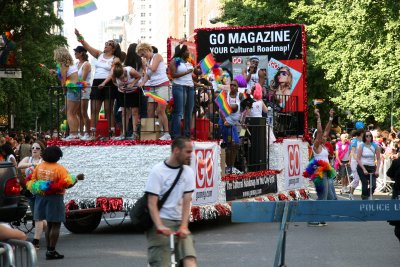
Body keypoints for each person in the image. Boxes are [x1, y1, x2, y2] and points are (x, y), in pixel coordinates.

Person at [144, 137, 197, 266]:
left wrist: (184, 225)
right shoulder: (158, 171)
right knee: (163, 262)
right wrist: (159, 225)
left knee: (189, 258)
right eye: (188, 152)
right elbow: (151, 203)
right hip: (161, 220)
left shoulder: (188, 172)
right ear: (176, 151)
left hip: (179, 221)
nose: (191, 155)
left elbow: (187, 201)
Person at [26, 146, 81, 260]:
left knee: (49, 225)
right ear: (57, 156)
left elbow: (33, 181)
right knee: (55, 224)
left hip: (41, 198)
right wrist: (76, 179)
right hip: (55, 199)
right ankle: (51, 251)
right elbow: (67, 184)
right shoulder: (60, 169)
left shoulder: (39, 167)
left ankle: (49, 250)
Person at [75, 29, 121, 138]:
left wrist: (104, 83)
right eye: (105, 44)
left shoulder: (116, 59)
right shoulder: (99, 55)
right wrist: (79, 36)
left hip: (108, 83)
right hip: (97, 82)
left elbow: (112, 73)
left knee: (108, 109)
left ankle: (111, 132)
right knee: (94, 108)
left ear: (113, 48)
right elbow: (87, 47)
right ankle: (93, 132)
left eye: (108, 44)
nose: (105, 45)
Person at [304, 108, 336, 226]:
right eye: (322, 136)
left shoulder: (324, 145)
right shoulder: (316, 146)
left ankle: (322, 217)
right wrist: (318, 119)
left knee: (330, 197)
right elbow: (321, 132)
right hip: (320, 172)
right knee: (322, 197)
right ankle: (312, 218)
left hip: (327, 172)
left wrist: (330, 118)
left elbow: (326, 130)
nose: (325, 136)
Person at [137, 43, 171, 140]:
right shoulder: (148, 60)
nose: (143, 57)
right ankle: (155, 131)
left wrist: (145, 64)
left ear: (146, 49)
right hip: (152, 87)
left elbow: (154, 68)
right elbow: (148, 74)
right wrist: (142, 82)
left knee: (160, 110)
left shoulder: (157, 56)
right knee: (150, 110)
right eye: (141, 56)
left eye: (143, 54)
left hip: (162, 85)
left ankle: (166, 133)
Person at [17, 141, 46, 249]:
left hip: (40, 192)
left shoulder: (43, 161)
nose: (34, 149)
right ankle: (51, 229)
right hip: (30, 192)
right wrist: (33, 164)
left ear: (41, 150)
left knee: (38, 217)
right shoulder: (28, 159)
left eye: (37, 148)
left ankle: (36, 242)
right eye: (33, 147)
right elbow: (20, 165)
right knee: (37, 217)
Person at [53, 47, 80, 141]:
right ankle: (76, 134)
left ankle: (73, 134)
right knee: (74, 113)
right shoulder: (70, 64)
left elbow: (63, 80)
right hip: (77, 89)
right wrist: (57, 72)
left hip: (71, 90)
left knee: (69, 113)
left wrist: (63, 90)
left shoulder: (63, 65)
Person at [169, 44, 195, 139]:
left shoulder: (188, 62)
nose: (188, 52)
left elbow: (190, 77)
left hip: (190, 87)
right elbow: (173, 75)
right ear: (182, 52)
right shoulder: (175, 61)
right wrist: (187, 72)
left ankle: (187, 135)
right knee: (179, 112)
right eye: (186, 50)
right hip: (179, 87)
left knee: (189, 112)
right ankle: (176, 135)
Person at [219, 78, 244, 174]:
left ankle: (230, 167)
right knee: (230, 144)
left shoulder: (240, 96)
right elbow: (221, 110)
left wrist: (242, 122)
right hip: (224, 122)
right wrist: (225, 121)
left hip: (233, 124)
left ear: (238, 87)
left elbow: (243, 109)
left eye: (235, 85)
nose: (233, 86)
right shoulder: (225, 95)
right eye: (231, 85)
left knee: (236, 144)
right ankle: (228, 168)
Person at [111, 62, 141, 140]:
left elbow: (139, 76)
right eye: (119, 78)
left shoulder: (130, 71)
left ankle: (135, 133)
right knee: (124, 112)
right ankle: (124, 133)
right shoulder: (114, 75)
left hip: (133, 91)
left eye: (122, 77)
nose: (121, 79)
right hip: (122, 92)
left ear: (124, 72)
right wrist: (119, 86)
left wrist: (133, 83)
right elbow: (114, 82)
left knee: (134, 111)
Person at [73, 45, 92, 141]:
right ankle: (81, 132)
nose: (75, 54)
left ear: (81, 53)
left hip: (84, 89)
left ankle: (87, 132)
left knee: (83, 111)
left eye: (76, 52)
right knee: (77, 112)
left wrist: (73, 83)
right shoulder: (76, 64)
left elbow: (82, 79)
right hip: (77, 89)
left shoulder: (86, 64)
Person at [356, 130, 380, 200]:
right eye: (367, 136)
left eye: (370, 135)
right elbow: (358, 159)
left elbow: (378, 159)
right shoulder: (361, 146)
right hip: (362, 166)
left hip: (372, 166)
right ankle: (365, 198)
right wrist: (364, 169)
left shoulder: (375, 146)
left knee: (373, 185)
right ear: (364, 137)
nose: (368, 137)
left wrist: (377, 170)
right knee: (365, 183)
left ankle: (367, 195)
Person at [385, 154, 400, 242]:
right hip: (398, 193)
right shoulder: (397, 162)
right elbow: (389, 173)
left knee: (398, 230)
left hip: (398, 192)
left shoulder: (397, 161)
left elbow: (390, 174)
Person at [348, 129, 364, 199]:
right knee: (356, 179)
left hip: (363, 161)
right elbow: (353, 152)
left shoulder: (364, 141)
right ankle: (351, 193)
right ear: (361, 133)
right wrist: (357, 159)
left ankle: (364, 195)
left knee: (363, 179)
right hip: (355, 162)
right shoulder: (354, 141)